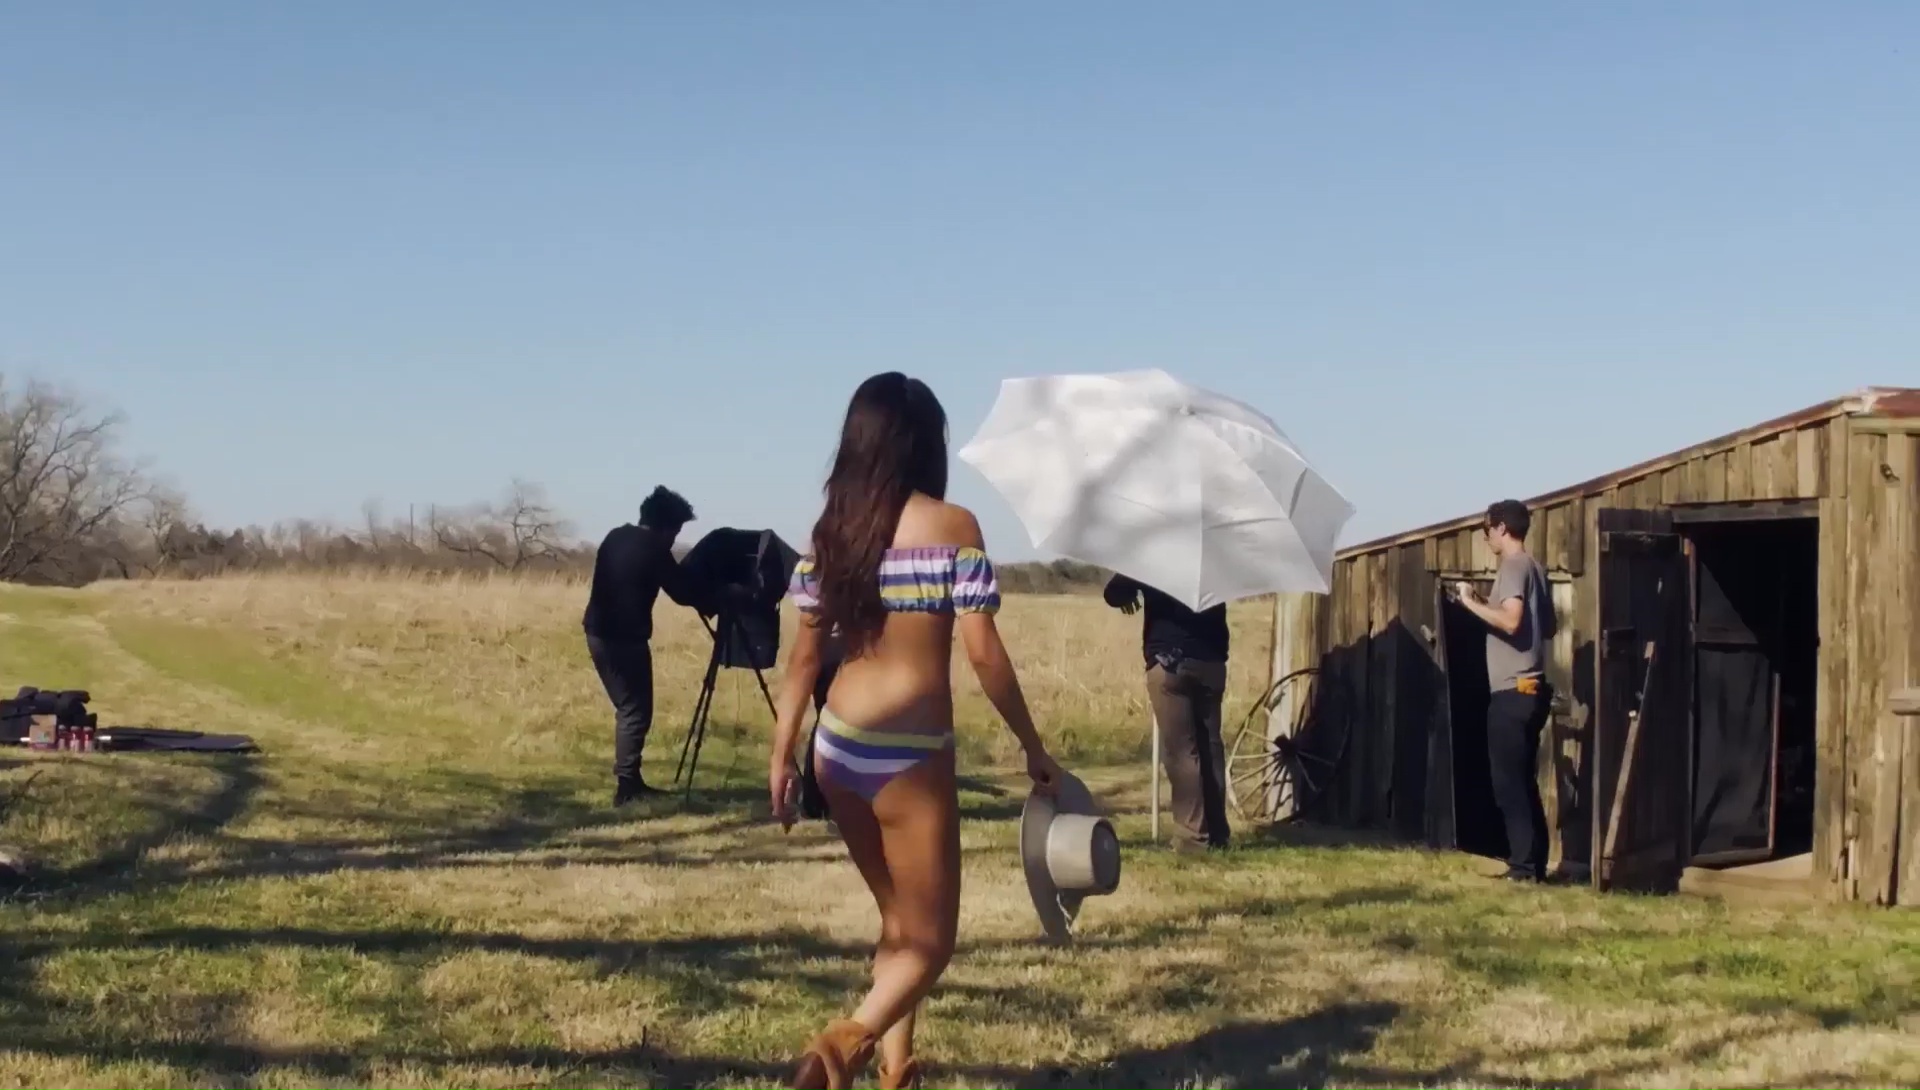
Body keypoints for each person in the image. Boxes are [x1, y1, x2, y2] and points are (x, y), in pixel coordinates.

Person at [769, 372, 1063, 1090]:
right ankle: (835, 1055)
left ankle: (896, 1072)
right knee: (931, 945)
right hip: (910, 753)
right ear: (926, 444)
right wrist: (1032, 746)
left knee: (899, 924)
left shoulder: (831, 534)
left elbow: (803, 661)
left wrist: (782, 757)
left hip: (837, 745)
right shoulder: (954, 527)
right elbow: (984, 654)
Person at [1450, 499, 1557, 883]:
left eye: (1486, 530)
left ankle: (1524, 869)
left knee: (1508, 784)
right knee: (1523, 780)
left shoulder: (1513, 566)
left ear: (1501, 528)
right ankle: (1533, 865)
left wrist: (1468, 603)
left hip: (1513, 692)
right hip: (1531, 691)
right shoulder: (1535, 568)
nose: (1487, 538)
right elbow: (1547, 627)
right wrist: (1486, 604)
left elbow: (1511, 623)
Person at [582, 485, 697, 805]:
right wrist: (722, 592)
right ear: (666, 527)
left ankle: (630, 780)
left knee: (628, 708)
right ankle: (627, 786)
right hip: (625, 638)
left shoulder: (615, 536)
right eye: (676, 531)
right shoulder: (653, 548)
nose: (674, 539)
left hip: (597, 632)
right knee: (635, 711)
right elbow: (683, 593)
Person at [1102, 572, 1232, 852]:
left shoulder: (1157, 553)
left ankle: (1192, 837)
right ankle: (1217, 833)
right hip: (1212, 661)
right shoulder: (1215, 554)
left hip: (1170, 661)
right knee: (1210, 746)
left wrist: (1132, 594)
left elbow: (1113, 593)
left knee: (1181, 750)